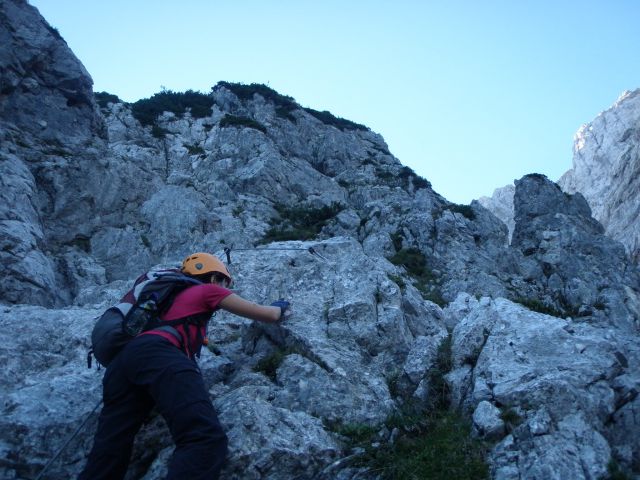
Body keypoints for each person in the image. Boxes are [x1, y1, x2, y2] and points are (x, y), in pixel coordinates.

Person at [79, 252, 290, 480]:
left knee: (109, 450)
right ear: (213, 277)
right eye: (222, 281)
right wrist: (280, 306)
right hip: (158, 354)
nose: (223, 286)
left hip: (120, 364)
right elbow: (267, 314)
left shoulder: (165, 301)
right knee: (203, 438)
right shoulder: (208, 290)